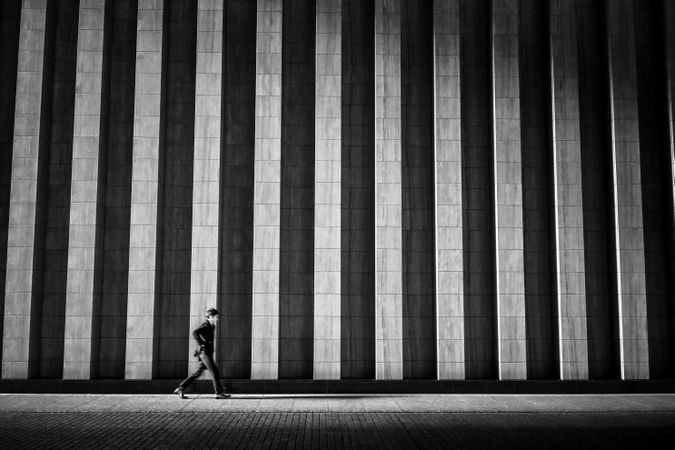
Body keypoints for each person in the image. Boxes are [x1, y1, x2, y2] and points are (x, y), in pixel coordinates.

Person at [174, 308, 230, 399]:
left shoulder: (212, 326)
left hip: (207, 353)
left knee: (198, 373)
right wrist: (202, 343)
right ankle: (219, 393)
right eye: (216, 316)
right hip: (205, 353)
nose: (217, 318)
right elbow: (195, 333)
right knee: (214, 372)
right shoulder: (205, 325)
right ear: (210, 317)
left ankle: (181, 388)